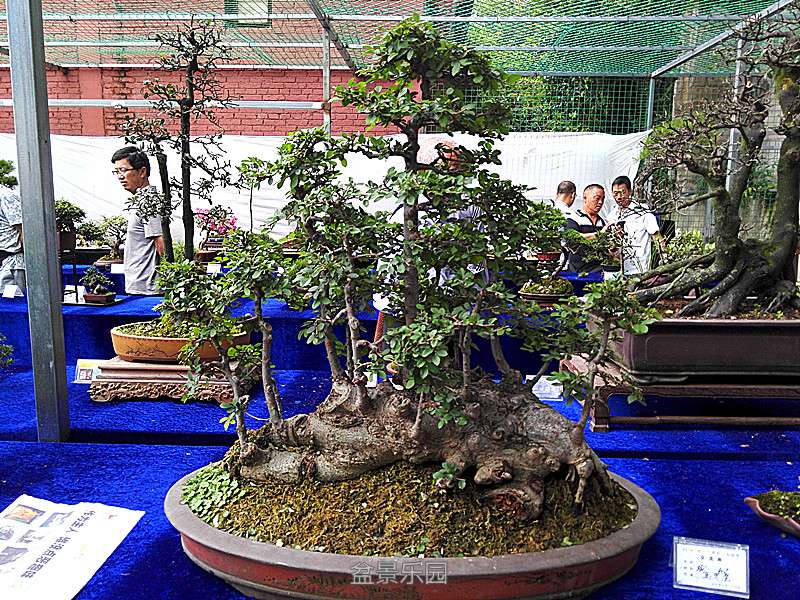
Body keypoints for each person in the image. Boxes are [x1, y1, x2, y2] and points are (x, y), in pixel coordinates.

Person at [111, 146, 164, 295]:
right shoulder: (140, 200)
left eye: (123, 170)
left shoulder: (149, 201)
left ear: (142, 172)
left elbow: (160, 243)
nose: (120, 176)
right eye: (116, 172)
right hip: (140, 284)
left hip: (147, 288)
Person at [610, 175, 665, 276]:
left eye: (622, 192)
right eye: (615, 193)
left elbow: (657, 237)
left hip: (640, 270)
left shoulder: (643, 211)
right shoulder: (612, 215)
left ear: (630, 192)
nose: (619, 197)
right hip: (618, 271)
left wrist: (665, 259)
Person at [564, 184, 607, 273]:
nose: (600, 202)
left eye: (603, 199)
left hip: (599, 271)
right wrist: (599, 235)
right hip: (577, 272)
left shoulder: (602, 222)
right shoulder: (574, 218)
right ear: (585, 198)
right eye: (597, 198)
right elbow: (572, 239)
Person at [0, 185, 24, 293]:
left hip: (10, 265)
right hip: (4, 263)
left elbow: (24, 230)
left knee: (12, 301)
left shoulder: (6, 196)